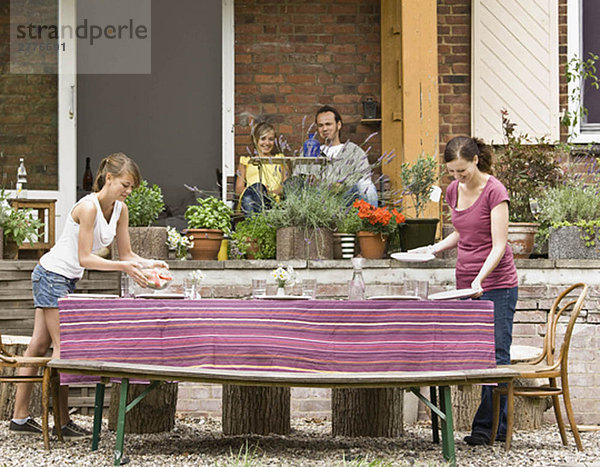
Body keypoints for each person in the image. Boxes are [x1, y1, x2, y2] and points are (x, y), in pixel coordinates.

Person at [10, 153, 167, 438]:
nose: (129, 192)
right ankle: (61, 423)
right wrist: (125, 268)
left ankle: (19, 419)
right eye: (125, 184)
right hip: (51, 275)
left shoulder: (120, 210)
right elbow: (84, 258)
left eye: (132, 187)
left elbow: (127, 253)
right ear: (109, 178)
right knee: (63, 350)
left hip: (65, 278)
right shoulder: (88, 208)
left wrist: (149, 263)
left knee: (37, 346)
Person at [410, 136, 518, 446]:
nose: (458, 178)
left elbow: (499, 245)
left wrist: (480, 279)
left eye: (462, 171)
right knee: (475, 354)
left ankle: (488, 429)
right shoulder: (453, 190)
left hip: (496, 284)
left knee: (496, 356)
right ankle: (495, 426)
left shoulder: (495, 191)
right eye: (452, 172)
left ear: (475, 161)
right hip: (466, 283)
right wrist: (432, 249)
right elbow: (462, 230)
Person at [315, 105, 378, 206]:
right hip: (317, 201)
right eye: (320, 125)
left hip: (346, 200)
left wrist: (342, 185)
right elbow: (299, 178)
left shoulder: (354, 151)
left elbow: (364, 177)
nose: (324, 129)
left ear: (338, 125)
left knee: (366, 185)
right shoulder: (311, 151)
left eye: (328, 124)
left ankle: (371, 220)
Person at [235, 122, 286, 217]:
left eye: (270, 139)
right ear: (256, 140)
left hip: (271, 200)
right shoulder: (246, 161)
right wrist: (257, 190)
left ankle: (255, 227)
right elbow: (238, 189)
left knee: (254, 197)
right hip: (249, 197)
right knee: (253, 193)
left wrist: (268, 193)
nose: (267, 143)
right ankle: (260, 226)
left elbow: (286, 186)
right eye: (263, 139)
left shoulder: (279, 159)